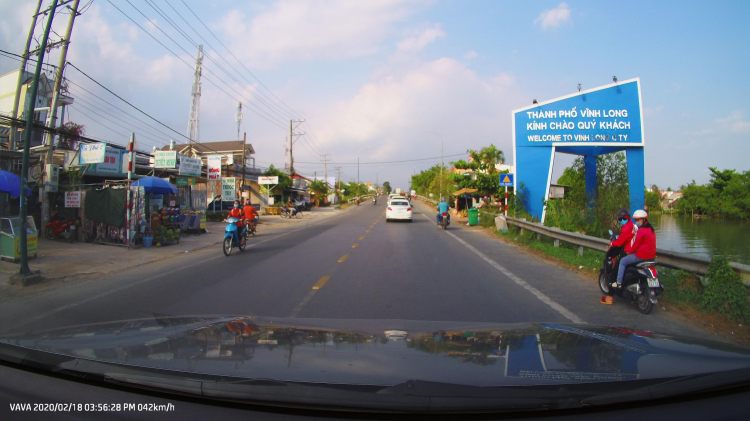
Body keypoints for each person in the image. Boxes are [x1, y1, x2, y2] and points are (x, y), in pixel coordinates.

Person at [615, 209, 656, 288]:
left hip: (642, 256)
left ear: (644, 219)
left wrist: (629, 252)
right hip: (652, 257)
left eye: (638, 220)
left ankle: (619, 282)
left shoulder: (641, 231)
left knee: (623, 261)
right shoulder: (652, 230)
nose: (637, 221)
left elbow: (635, 245)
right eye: (636, 220)